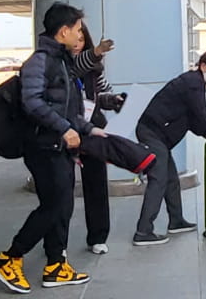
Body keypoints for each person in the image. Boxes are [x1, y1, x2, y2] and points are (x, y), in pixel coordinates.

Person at [0, 2, 101, 294]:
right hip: (42, 146)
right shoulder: (40, 60)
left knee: (62, 206)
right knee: (54, 206)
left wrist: (88, 128)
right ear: (63, 31)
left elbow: (66, 108)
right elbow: (32, 102)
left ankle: (56, 264)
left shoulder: (61, 61)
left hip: (58, 147)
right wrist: (64, 129)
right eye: (77, 30)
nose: (80, 35)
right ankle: (10, 257)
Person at [130, 50, 206, 246]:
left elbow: (192, 120)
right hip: (152, 132)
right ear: (203, 66)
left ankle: (176, 220)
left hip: (158, 136)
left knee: (172, 179)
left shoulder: (194, 83)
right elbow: (202, 115)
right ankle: (143, 231)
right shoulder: (193, 83)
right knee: (159, 179)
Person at [71, 27, 122, 255]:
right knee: (60, 191)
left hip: (92, 130)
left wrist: (115, 100)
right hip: (64, 131)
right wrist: (96, 52)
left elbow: (101, 95)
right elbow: (76, 65)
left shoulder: (93, 69)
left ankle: (98, 237)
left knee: (97, 184)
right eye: (75, 37)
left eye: (82, 40)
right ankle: (55, 242)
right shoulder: (60, 65)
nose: (77, 43)